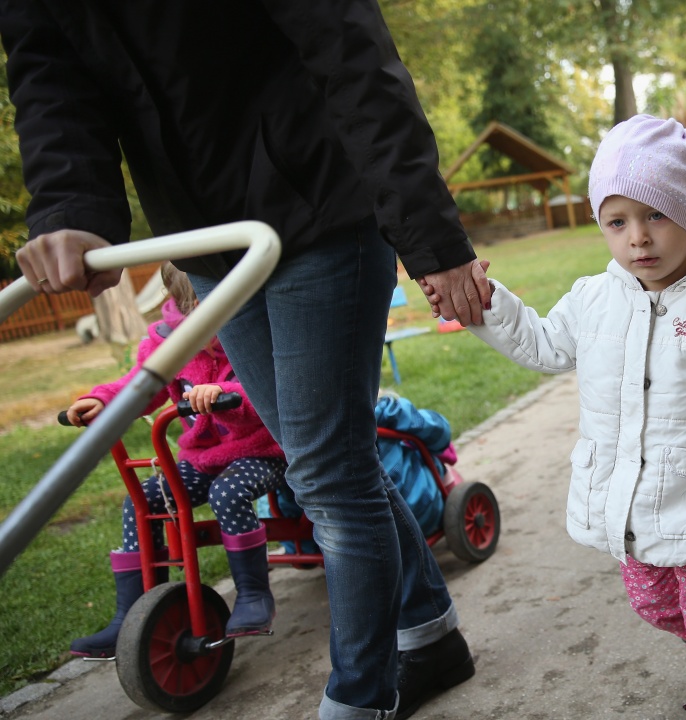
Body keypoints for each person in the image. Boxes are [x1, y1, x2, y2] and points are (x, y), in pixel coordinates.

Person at [1, 4, 491, 718]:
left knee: (327, 471)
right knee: (324, 461)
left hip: (320, 207)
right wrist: (70, 204)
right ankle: (430, 634)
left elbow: (351, 49)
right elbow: (50, 71)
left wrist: (430, 235)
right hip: (207, 241)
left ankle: (359, 700)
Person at [425, 115, 686, 720]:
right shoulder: (595, 298)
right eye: (617, 222)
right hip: (631, 502)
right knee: (653, 604)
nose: (638, 239)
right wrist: (489, 306)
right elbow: (543, 345)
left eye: (657, 216)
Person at [66, 263, 288, 658]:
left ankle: (254, 594)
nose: (207, 339)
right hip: (204, 458)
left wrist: (225, 392)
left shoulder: (256, 330)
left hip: (265, 449)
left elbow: (274, 389)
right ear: (181, 312)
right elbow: (140, 385)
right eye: (197, 324)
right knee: (143, 500)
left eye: (218, 321)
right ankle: (133, 615)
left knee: (229, 492)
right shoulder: (165, 344)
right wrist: (102, 399)